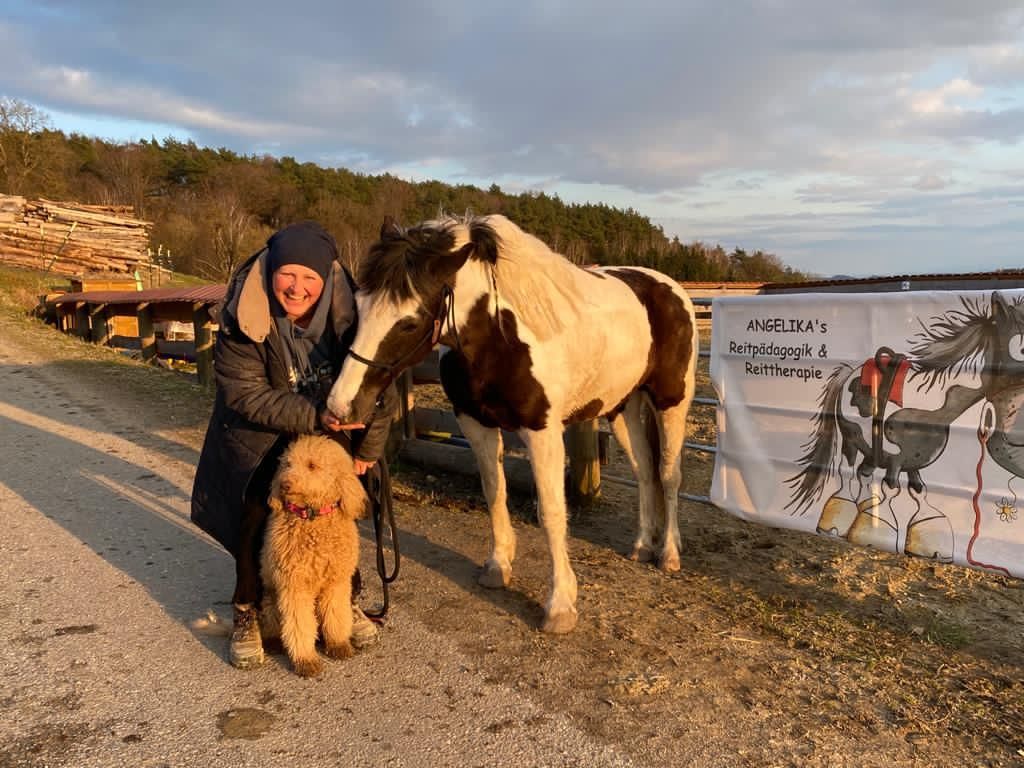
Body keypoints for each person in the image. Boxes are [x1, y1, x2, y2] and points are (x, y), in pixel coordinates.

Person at [190, 220, 398, 669]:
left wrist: (366, 452)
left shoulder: (356, 319)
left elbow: (381, 392)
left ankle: (346, 600)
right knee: (256, 510)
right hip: (256, 429)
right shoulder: (243, 314)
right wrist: (314, 415)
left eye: (310, 277)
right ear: (271, 273)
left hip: (329, 433)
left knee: (342, 513)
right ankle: (247, 607)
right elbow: (244, 394)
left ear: (327, 280)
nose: (298, 287)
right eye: (288, 274)